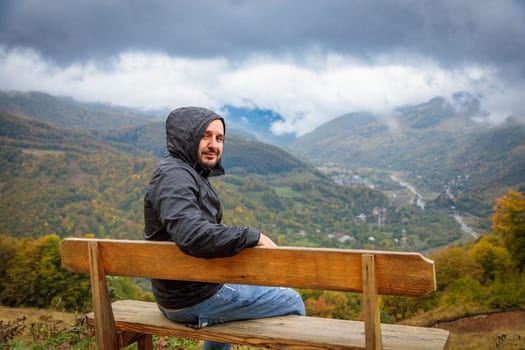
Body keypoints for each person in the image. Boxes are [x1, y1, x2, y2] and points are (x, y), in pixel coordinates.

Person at [143, 106, 305, 350]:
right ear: (186, 136)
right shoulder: (174, 176)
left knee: (235, 293)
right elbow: (192, 234)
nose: (214, 145)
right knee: (291, 300)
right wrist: (253, 236)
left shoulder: (185, 173)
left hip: (181, 292)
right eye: (205, 135)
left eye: (219, 138)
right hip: (191, 298)